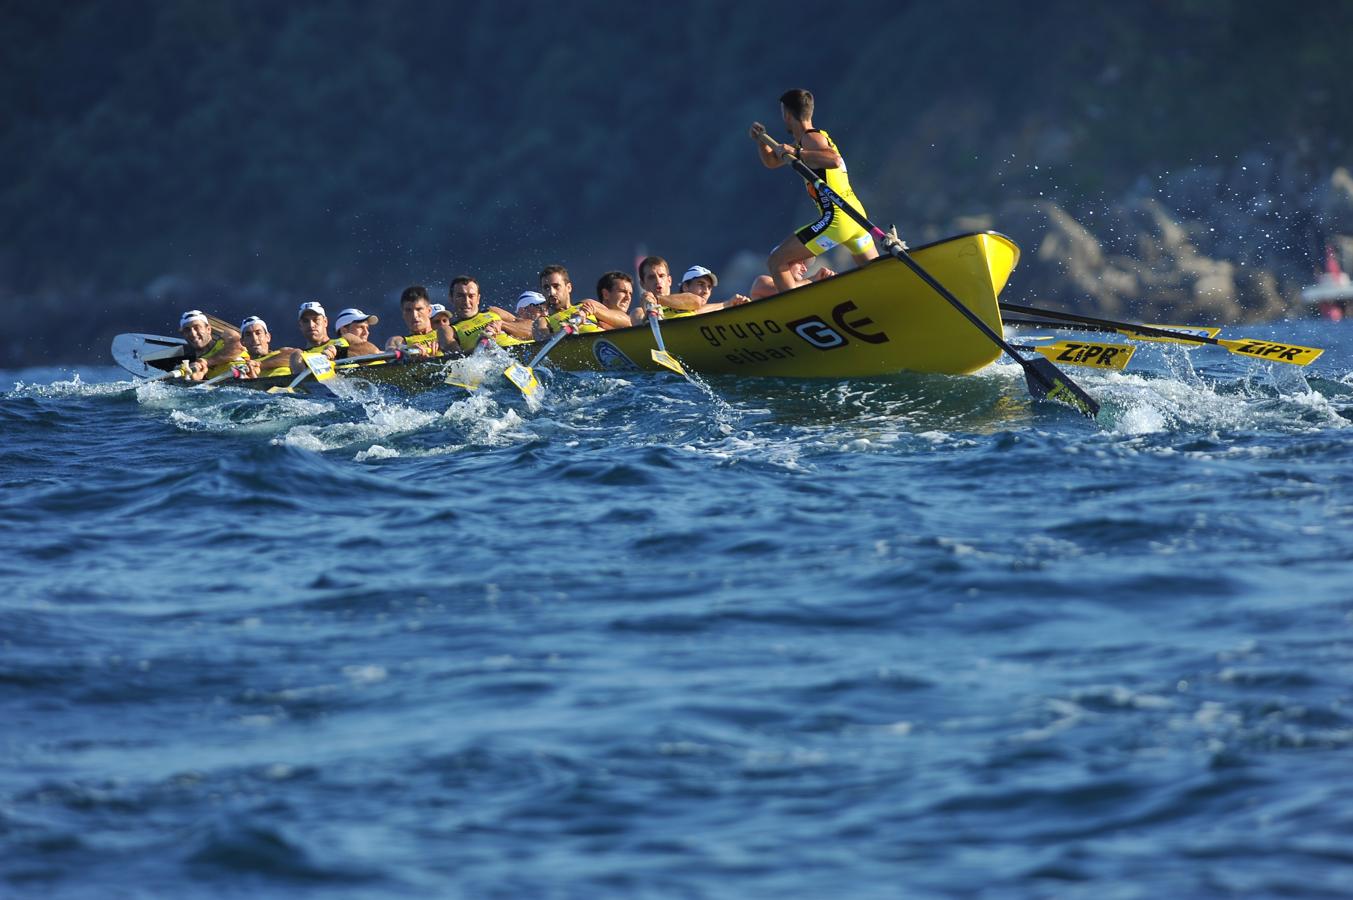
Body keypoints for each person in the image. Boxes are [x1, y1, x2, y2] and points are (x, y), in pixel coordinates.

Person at [749, 88, 879, 292]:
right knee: (876, 274)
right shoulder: (805, 142)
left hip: (838, 218)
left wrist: (797, 152)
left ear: (787, 115)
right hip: (856, 216)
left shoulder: (811, 139)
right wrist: (761, 141)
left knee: (776, 261)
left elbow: (833, 160)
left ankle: (796, 310)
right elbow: (772, 162)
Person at [446, 275, 535, 352]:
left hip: (527, 352)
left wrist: (503, 325)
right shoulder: (449, 330)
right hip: (495, 364)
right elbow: (456, 359)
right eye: (460, 296)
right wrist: (480, 342)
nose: (466, 301)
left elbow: (533, 329)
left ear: (478, 299)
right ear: (451, 299)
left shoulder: (492, 311)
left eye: (471, 296)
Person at [533, 265, 613, 340]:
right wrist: (565, 331)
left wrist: (594, 311)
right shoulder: (542, 321)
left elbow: (624, 321)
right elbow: (543, 341)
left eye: (556, 286)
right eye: (546, 288)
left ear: (568, 288)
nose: (551, 292)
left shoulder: (587, 304)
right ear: (542, 292)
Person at [385, 286, 462, 358]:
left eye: (419, 309)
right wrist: (407, 349)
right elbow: (391, 350)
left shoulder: (449, 332)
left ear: (429, 311)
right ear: (403, 315)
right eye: (408, 310)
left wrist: (446, 344)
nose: (414, 316)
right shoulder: (398, 340)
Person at [628, 256, 705, 325]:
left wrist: (657, 299)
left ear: (669, 280)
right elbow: (639, 322)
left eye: (661, 276)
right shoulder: (639, 311)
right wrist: (649, 313)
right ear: (642, 284)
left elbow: (697, 301)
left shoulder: (687, 301)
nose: (658, 281)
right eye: (651, 277)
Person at [177, 309, 247, 381]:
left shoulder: (226, 341)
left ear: (208, 329)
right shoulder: (190, 364)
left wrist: (206, 362)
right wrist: (195, 379)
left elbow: (239, 346)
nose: (193, 334)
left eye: (196, 327)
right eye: (187, 330)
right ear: (183, 335)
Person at [288, 301, 351, 371]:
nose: (311, 325)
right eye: (305, 321)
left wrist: (338, 350)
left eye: (316, 320)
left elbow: (364, 350)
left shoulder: (347, 339)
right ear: (300, 325)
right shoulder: (299, 356)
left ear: (325, 321)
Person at [747, 259, 836, 299]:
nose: (805, 269)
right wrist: (813, 279)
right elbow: (785, 290)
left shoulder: (804, 290)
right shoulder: (763, 281)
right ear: (786, 262)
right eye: (800, 262)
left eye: (805, 264)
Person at [677, 265, 751, 312]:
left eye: (709, 287)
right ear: (685, 287)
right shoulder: (668, 308)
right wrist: (728, 303)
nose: (706, 291)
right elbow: (695, 312)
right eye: (701, 284)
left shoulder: (710, 313)